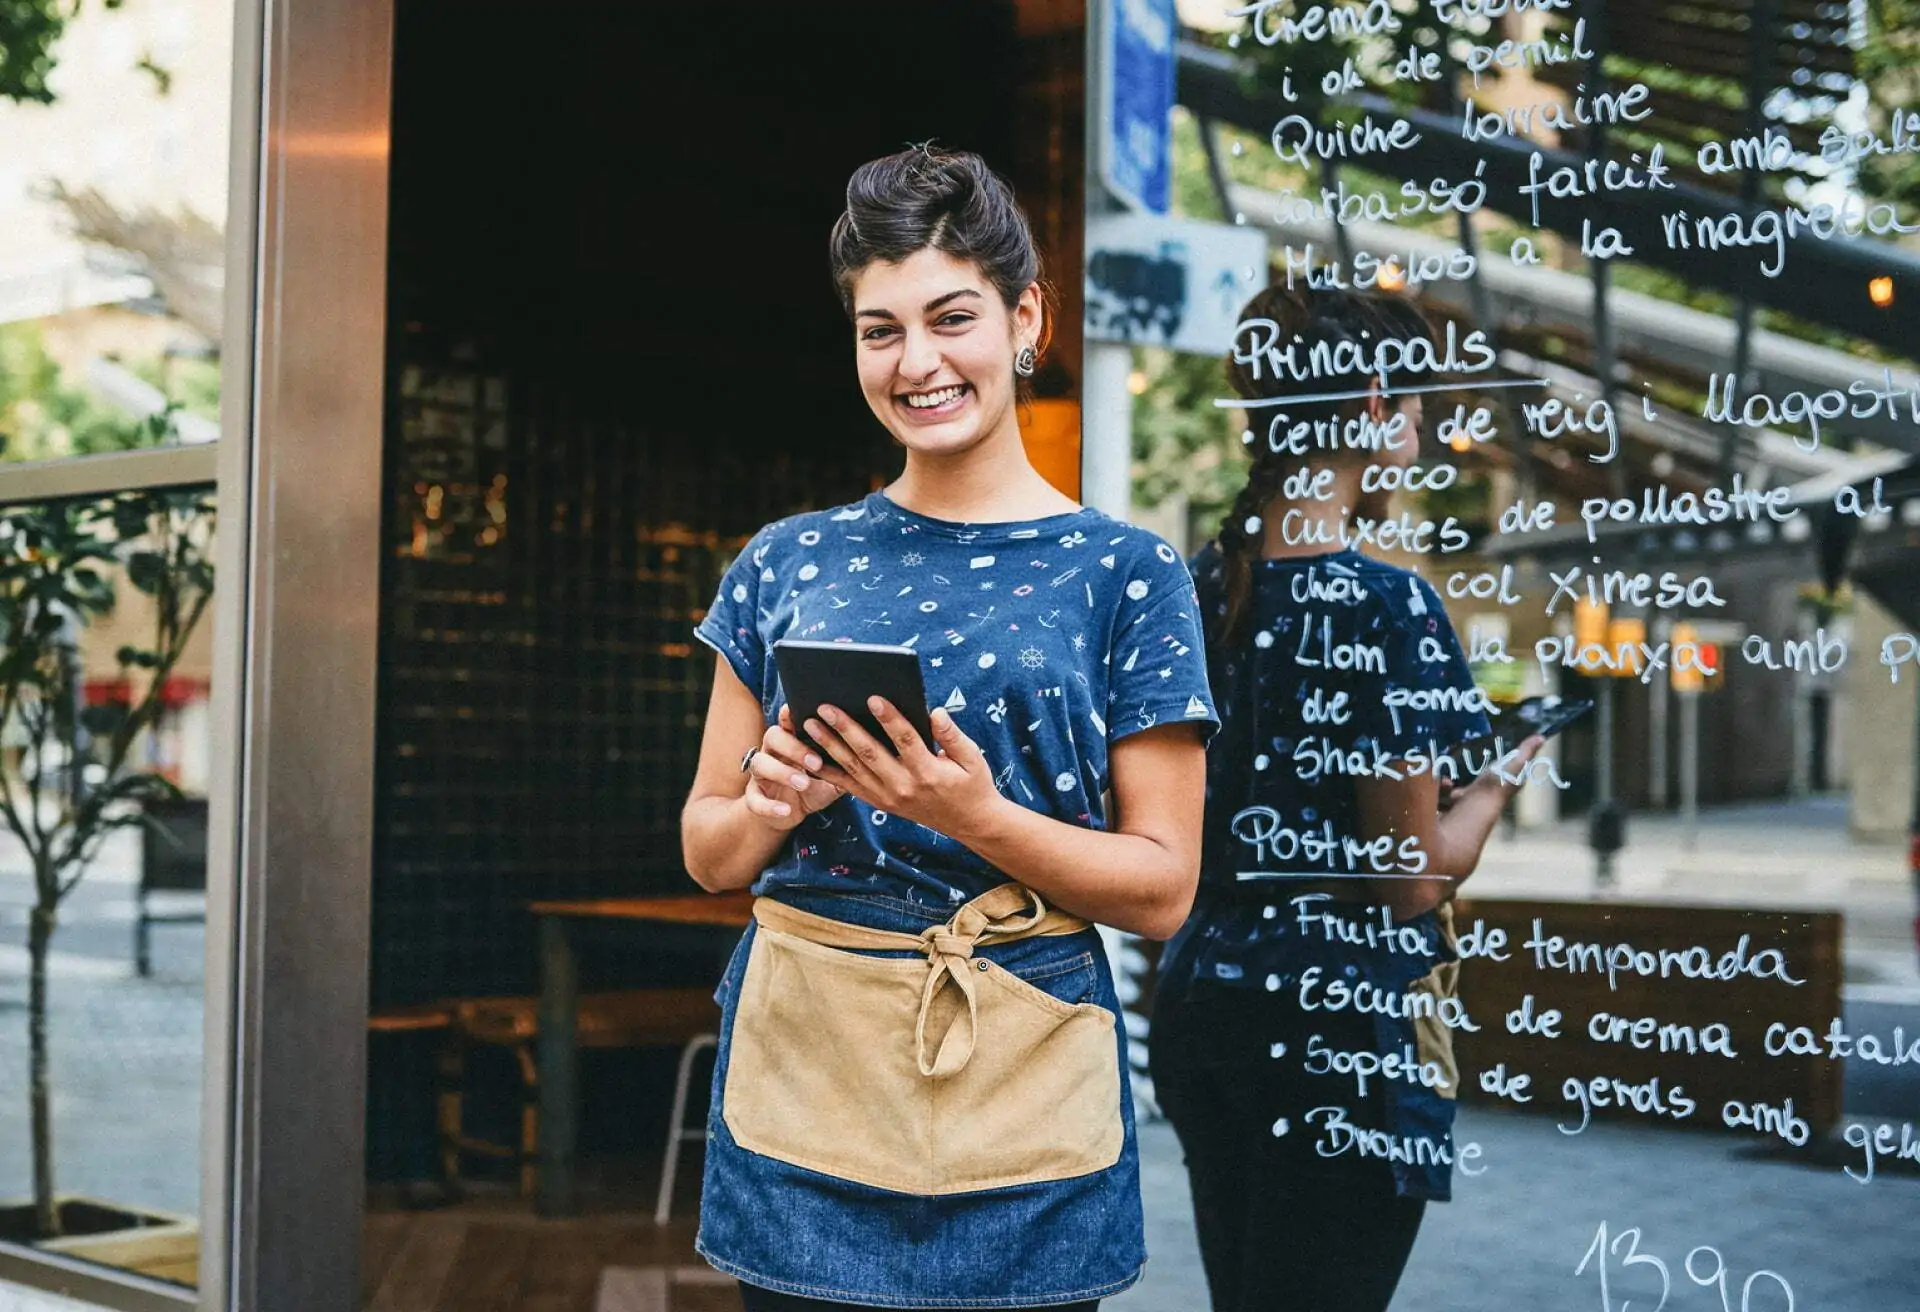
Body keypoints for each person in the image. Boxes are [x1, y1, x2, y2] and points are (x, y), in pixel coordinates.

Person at [680, 145, 1220, 1312]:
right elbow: (709, 853)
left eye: (952, 317)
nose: (917, 362)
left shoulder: (1129, 573)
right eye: (881, 330)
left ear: (1027, 317)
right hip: (810, 1069)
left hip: (1020, 1062)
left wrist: (971, 814)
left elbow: (1163, 886)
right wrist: (773, 798)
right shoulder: (785, 559)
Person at [1149, 284, 1544, 1312]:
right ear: (1372, 403)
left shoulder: (1197, 588)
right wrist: (1503, 772)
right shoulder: (1387, 603)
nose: (1423, 422)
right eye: (1415, 402)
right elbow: (1411, 877)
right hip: (1341, 1032)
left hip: (1203, 1005)